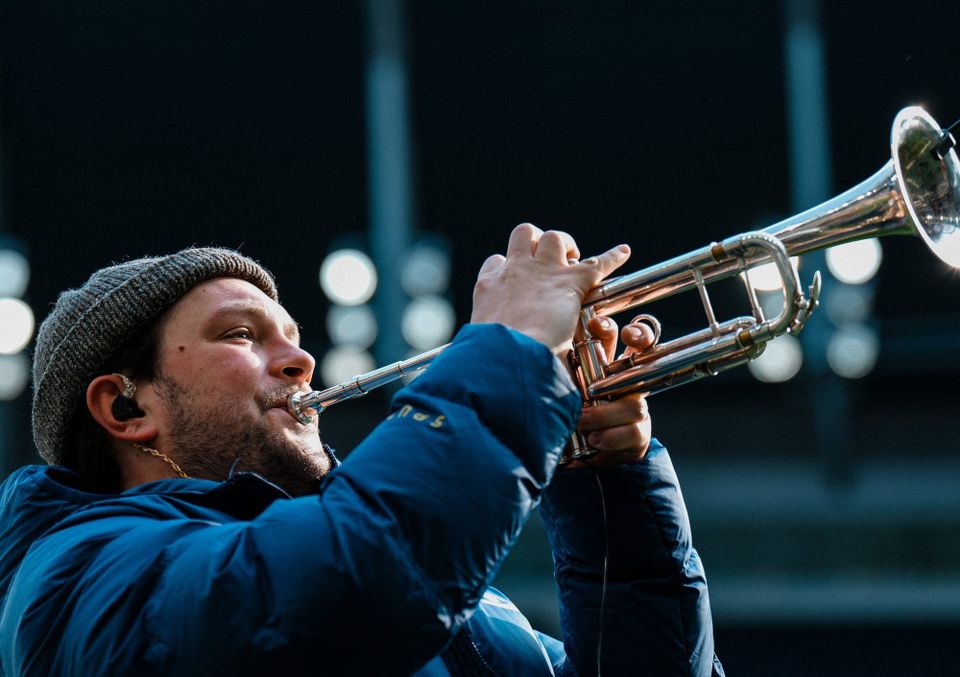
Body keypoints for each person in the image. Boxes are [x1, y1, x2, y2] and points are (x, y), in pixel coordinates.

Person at [0, 224, 723, 676]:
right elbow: (347, 590)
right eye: (242, 335)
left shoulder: (463, 601)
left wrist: (611, 489)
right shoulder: (79, 575)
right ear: (126, 406)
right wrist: (511, 350)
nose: (301, 361)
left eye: (293, 336)